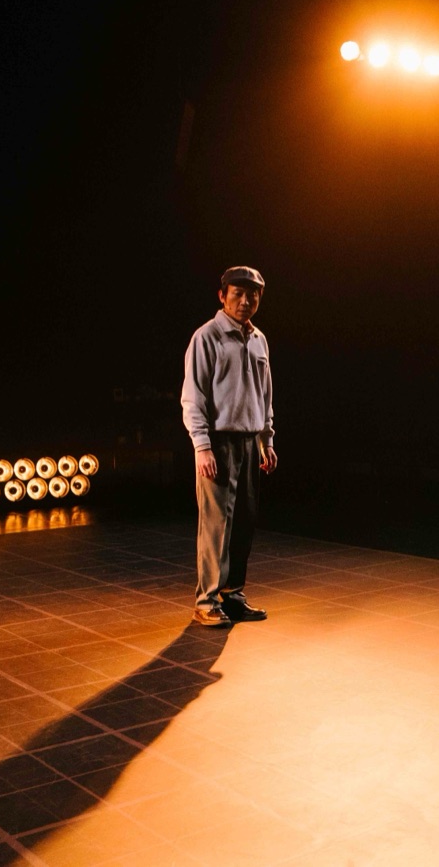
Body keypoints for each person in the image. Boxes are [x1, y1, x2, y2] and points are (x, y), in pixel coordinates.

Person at [179, 265, 278, 627]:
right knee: (217, 524)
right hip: (218, 441)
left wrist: (266, 439)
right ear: (222, 296)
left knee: (244, 522)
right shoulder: (207, 337)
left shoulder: (258, 339)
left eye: (252, 294)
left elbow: (264, 395)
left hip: (251, 440)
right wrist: (202, 447)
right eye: (238, 293)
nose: (245, 300)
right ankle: (206, 600)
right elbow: (193, 397)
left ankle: (232, 595)